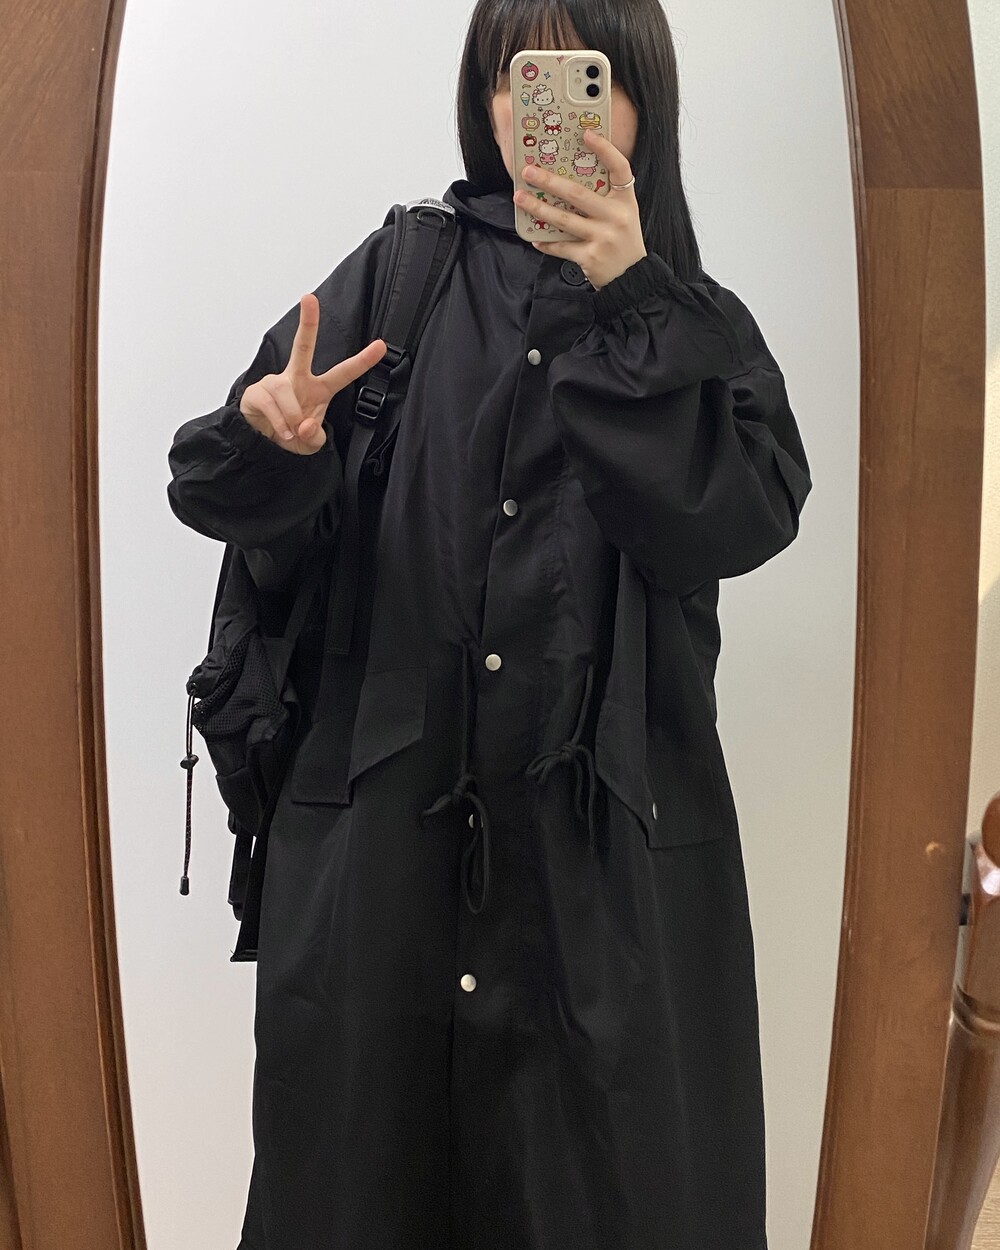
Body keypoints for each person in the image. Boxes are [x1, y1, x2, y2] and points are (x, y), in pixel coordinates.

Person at [166, 1, 812, 1246]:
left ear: (639, 105)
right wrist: (275, 440)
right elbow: (219, 486)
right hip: (381, 869)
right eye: (518, 75)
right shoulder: (397, 276)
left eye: (582, 76)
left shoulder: (692, 326)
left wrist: (631, 302)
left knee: (600, 1194)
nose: (540, 110)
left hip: (599, 894)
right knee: (363, 1186)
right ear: (484, 98)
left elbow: (731, 521)